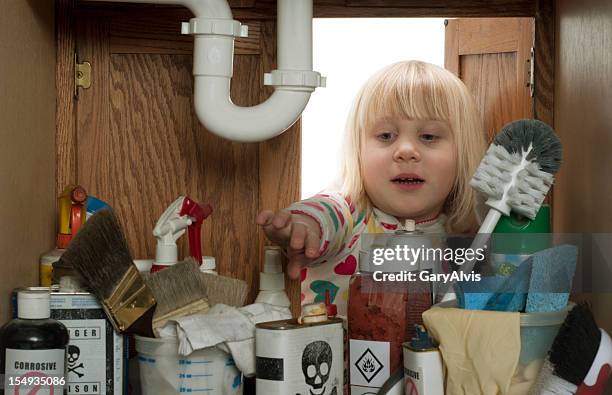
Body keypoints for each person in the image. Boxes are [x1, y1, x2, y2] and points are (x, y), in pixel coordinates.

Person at [256, 60, 487, 316]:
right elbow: (324, 213)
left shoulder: (471, 240)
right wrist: (305, 225)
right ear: (359, 151)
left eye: (429, 136)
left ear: (463, 153)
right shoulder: (348, 215)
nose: (406, 151)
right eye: (386, 136)